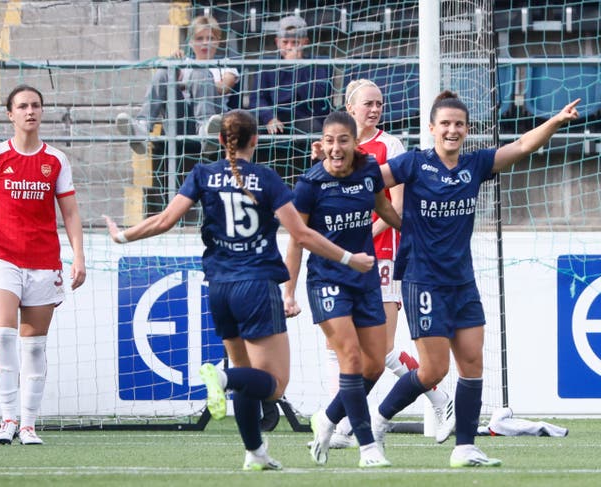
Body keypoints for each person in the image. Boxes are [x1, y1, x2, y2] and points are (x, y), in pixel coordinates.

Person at [104, 109, 375, 471]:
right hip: (257, 287)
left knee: (248, 375)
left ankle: (255, 453)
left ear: (220, 141)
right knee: (274, 385)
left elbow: (166, 219)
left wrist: (123, 234)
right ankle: (220, 377)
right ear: (255, 141)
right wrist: (349, 258)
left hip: (219, 288)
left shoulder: (202, 174)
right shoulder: (267, 178)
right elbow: (302, 235)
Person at [372, 91, 580, 467]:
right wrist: (394, 219)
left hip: (462, 282)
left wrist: (554, 121)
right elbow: (371, 182)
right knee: (434, 369)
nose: (452, 130)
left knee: (472, 364)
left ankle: (465, 447)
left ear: (467, 130)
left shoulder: (476, 164)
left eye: (459, 124)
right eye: (445, 124)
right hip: (423, 279)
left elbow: (520, 147)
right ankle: (379, 421)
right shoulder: (414, 164)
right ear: (432, 128)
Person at [326, 79, 455, 449]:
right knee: (342, 347)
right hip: (342, 260)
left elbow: (397, 207)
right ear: (350, 109)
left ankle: (357, 423)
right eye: (368, 103)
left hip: (382, 256)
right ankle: (351, 423)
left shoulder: (390, 146)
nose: (375, 109)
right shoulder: (336, 148)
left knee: (377, 350)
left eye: (379, 103)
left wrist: (360, 237)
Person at [0, 84, 87, 446]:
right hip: (1, 256)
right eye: (22, 106)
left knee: (34, 345)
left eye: (35, 105)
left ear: (42, 111)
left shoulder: (56, 160)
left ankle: (29, 424)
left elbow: (70, 212)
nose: (30, 111)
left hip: (43, 260)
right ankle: (7, 420)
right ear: (10, 113)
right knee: (3, 336)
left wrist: (78, 256)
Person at [283, 111, 402, 468]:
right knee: (349, 359)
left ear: (355, 143)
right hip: (327, 282)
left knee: (375, 366)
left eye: (343, 140)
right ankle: (368, 447)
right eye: (330, 140)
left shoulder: (368, 172)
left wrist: (415, 232)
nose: (336, 148)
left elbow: (384, 208)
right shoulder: (309, 184)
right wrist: (288, 293)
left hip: (365, 280)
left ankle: (326, 417)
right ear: (322, 143)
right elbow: (296, 241)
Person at [116, 15, 240, 156]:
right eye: (199, 39)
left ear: (218, 41)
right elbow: (165, 84)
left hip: (214, 122)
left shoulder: (225, 65)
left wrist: (195, 81)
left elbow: (224, 87)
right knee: (164, 71)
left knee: (200, 74)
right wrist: (174, 66)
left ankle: (206, 131)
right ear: (191, 42)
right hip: (180, 121)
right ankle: (143, 126)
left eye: (210, 38)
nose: (205, 43)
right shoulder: (183, 63)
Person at [251, 14, 332, 184]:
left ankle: (314, 181)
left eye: (295, 43)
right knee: (248, 129)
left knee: (315, 132)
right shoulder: (266, 64)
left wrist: (297, 66)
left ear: (305, 42)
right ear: (277, 42)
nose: (289, 47)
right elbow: (257, 98)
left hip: (304, 115)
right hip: (275, 117)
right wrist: (269, 117)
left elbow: (317, 96)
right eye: (285, 42)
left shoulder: (317, 64)